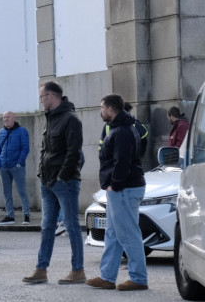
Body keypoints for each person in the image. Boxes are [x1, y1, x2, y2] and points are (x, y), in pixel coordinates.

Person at [23, 81, 86, 285]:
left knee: (71, 225)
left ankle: (78, 270)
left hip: (63, 181)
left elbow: (74, 152)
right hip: (48, 181)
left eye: (42, 97)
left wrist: (62, 176)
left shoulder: (70, 119)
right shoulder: (50, 119)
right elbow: (46, 150)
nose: (41, 100)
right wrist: (44, 173)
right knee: (47, 226)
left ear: (51, 96)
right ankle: (41, 269)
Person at [86, 94, 148, 291]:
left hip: (124, 189)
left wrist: (115, 184)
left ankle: (138, 278)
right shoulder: (123, 127)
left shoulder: (121, 130)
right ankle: (107, 276)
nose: (100, 111)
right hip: (123, 188)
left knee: (128, 234)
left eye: (102, 108)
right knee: (113, 234)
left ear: (110, 109)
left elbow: (122, 161)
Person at [0, 111, 31, 225]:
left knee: (22, 191)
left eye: (8, 117)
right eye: (4, 117)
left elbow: (25, 148)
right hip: (4, 167)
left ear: (13, 118)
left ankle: (26, 215)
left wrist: (19, 162)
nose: (5, 119)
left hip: (17, 167)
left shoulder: (22, 131)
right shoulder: (0, 132)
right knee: (6, 192)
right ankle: (10, 216)